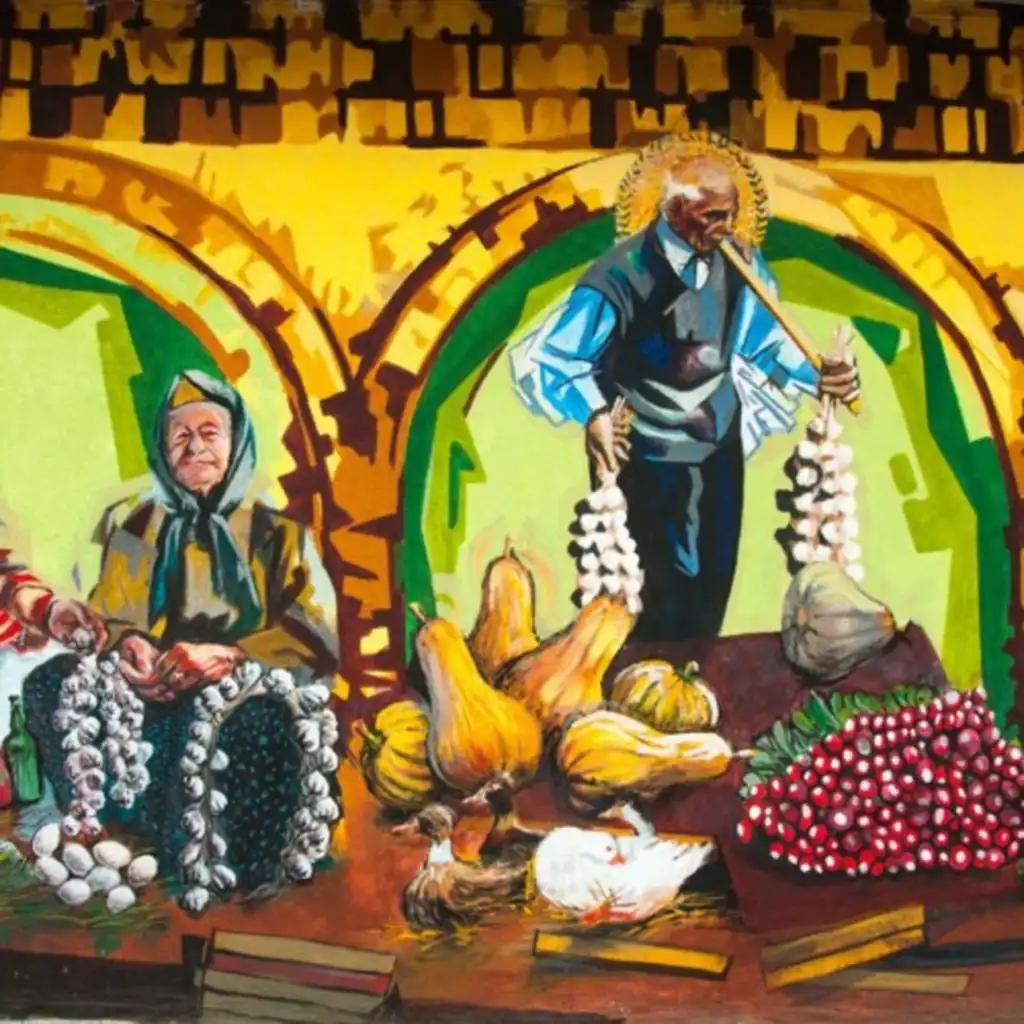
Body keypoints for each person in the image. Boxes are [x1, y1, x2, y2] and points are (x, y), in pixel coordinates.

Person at [510, 150, 860, 642]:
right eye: (713, 216)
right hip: (644, 455)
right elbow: (558, 357)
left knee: (711, 582)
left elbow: (766, 342)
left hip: (718, 445)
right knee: (654, 593)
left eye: (731, 214)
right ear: (673, 210)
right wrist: (594, 414)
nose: (726, 227)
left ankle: (695, 677)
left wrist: (820, 375)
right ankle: (647, 682)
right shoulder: (619, 274)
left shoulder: (741, 263)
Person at [24, 370, 341, 894]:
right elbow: (112, 618)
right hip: (157, 692)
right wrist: (129, 646)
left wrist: (230, 656)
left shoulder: (279, 534)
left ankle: (233, 864)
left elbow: (316, 635)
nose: (195, 448)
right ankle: (110, 832)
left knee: (259, 724)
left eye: (210, 433)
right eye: (180, 436)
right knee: (50, 682)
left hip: (246, 691)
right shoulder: (138, 528)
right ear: (163, 450)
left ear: (237, 443)